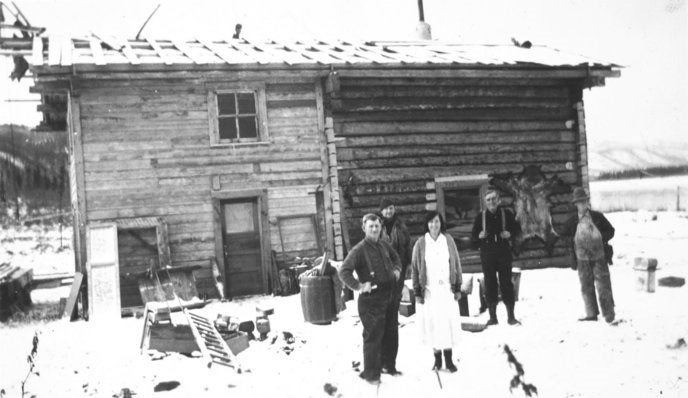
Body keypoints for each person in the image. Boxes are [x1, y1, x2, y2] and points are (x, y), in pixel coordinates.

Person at [338, 213, 402, 384]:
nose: (374, 229)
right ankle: (372, 374)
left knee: (391, 333)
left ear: (381, 227)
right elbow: (343, 271)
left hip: (389, 295)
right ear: (364, 228)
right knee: (373, 336)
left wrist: (396, 270)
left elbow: (397, 258)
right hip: (371, 300)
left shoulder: (384, 245)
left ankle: (388, 365)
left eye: (377, 226)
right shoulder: (358, 250)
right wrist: (359, 286)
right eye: (371, 226)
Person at [412, 211, 464, 373]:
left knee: (447, 325)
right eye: (431, 222)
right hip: (429, 292)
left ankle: (449, 360)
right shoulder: (421, 244)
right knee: (432, 325)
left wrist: (457, 287)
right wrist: (417, 292)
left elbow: (456, 263)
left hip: (446, 290)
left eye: (437, 222)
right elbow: (415, 269)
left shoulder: (448, 240)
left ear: (441, 223)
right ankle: (437, 360)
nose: (434, 225)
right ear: (426, 225)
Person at [559, 187, 616, 323]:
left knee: (603, 285)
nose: (582, 204)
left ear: (587, 202)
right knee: (586, 286)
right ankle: (591, 314)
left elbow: (611, 230)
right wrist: (572, 241)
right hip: (582, 258)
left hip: (599, 257)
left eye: (584, 201)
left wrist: (600, 238)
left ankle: (609, 314)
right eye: (579, 202)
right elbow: (563, 235)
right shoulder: (572, 220)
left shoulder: (597, 217)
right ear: (576, 204)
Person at [471, 188, 522, 326]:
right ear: (485, 202)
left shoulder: (507, 214)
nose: (491, 202)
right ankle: (493, 317)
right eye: (488, 200)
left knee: (506, 283)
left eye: (493, 199)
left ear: (498, 200)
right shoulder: (480, 218)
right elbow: (473, 239)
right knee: (490, 284)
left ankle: (511, 317)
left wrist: (509, 234)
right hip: (487, 254)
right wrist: (479, 236)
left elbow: (517, 229)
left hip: (503, 252)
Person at [378, 198, 413, 369]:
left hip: (397, 276)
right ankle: (381, 360)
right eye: (385, 209)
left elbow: (407, 248)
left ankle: (390, 362)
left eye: (391, 208)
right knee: (382, 319)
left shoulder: (401, 226)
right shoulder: (377, 227)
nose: (389, 212)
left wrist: (408, 267)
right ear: (381, 211)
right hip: (381, 278)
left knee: (392, 319)